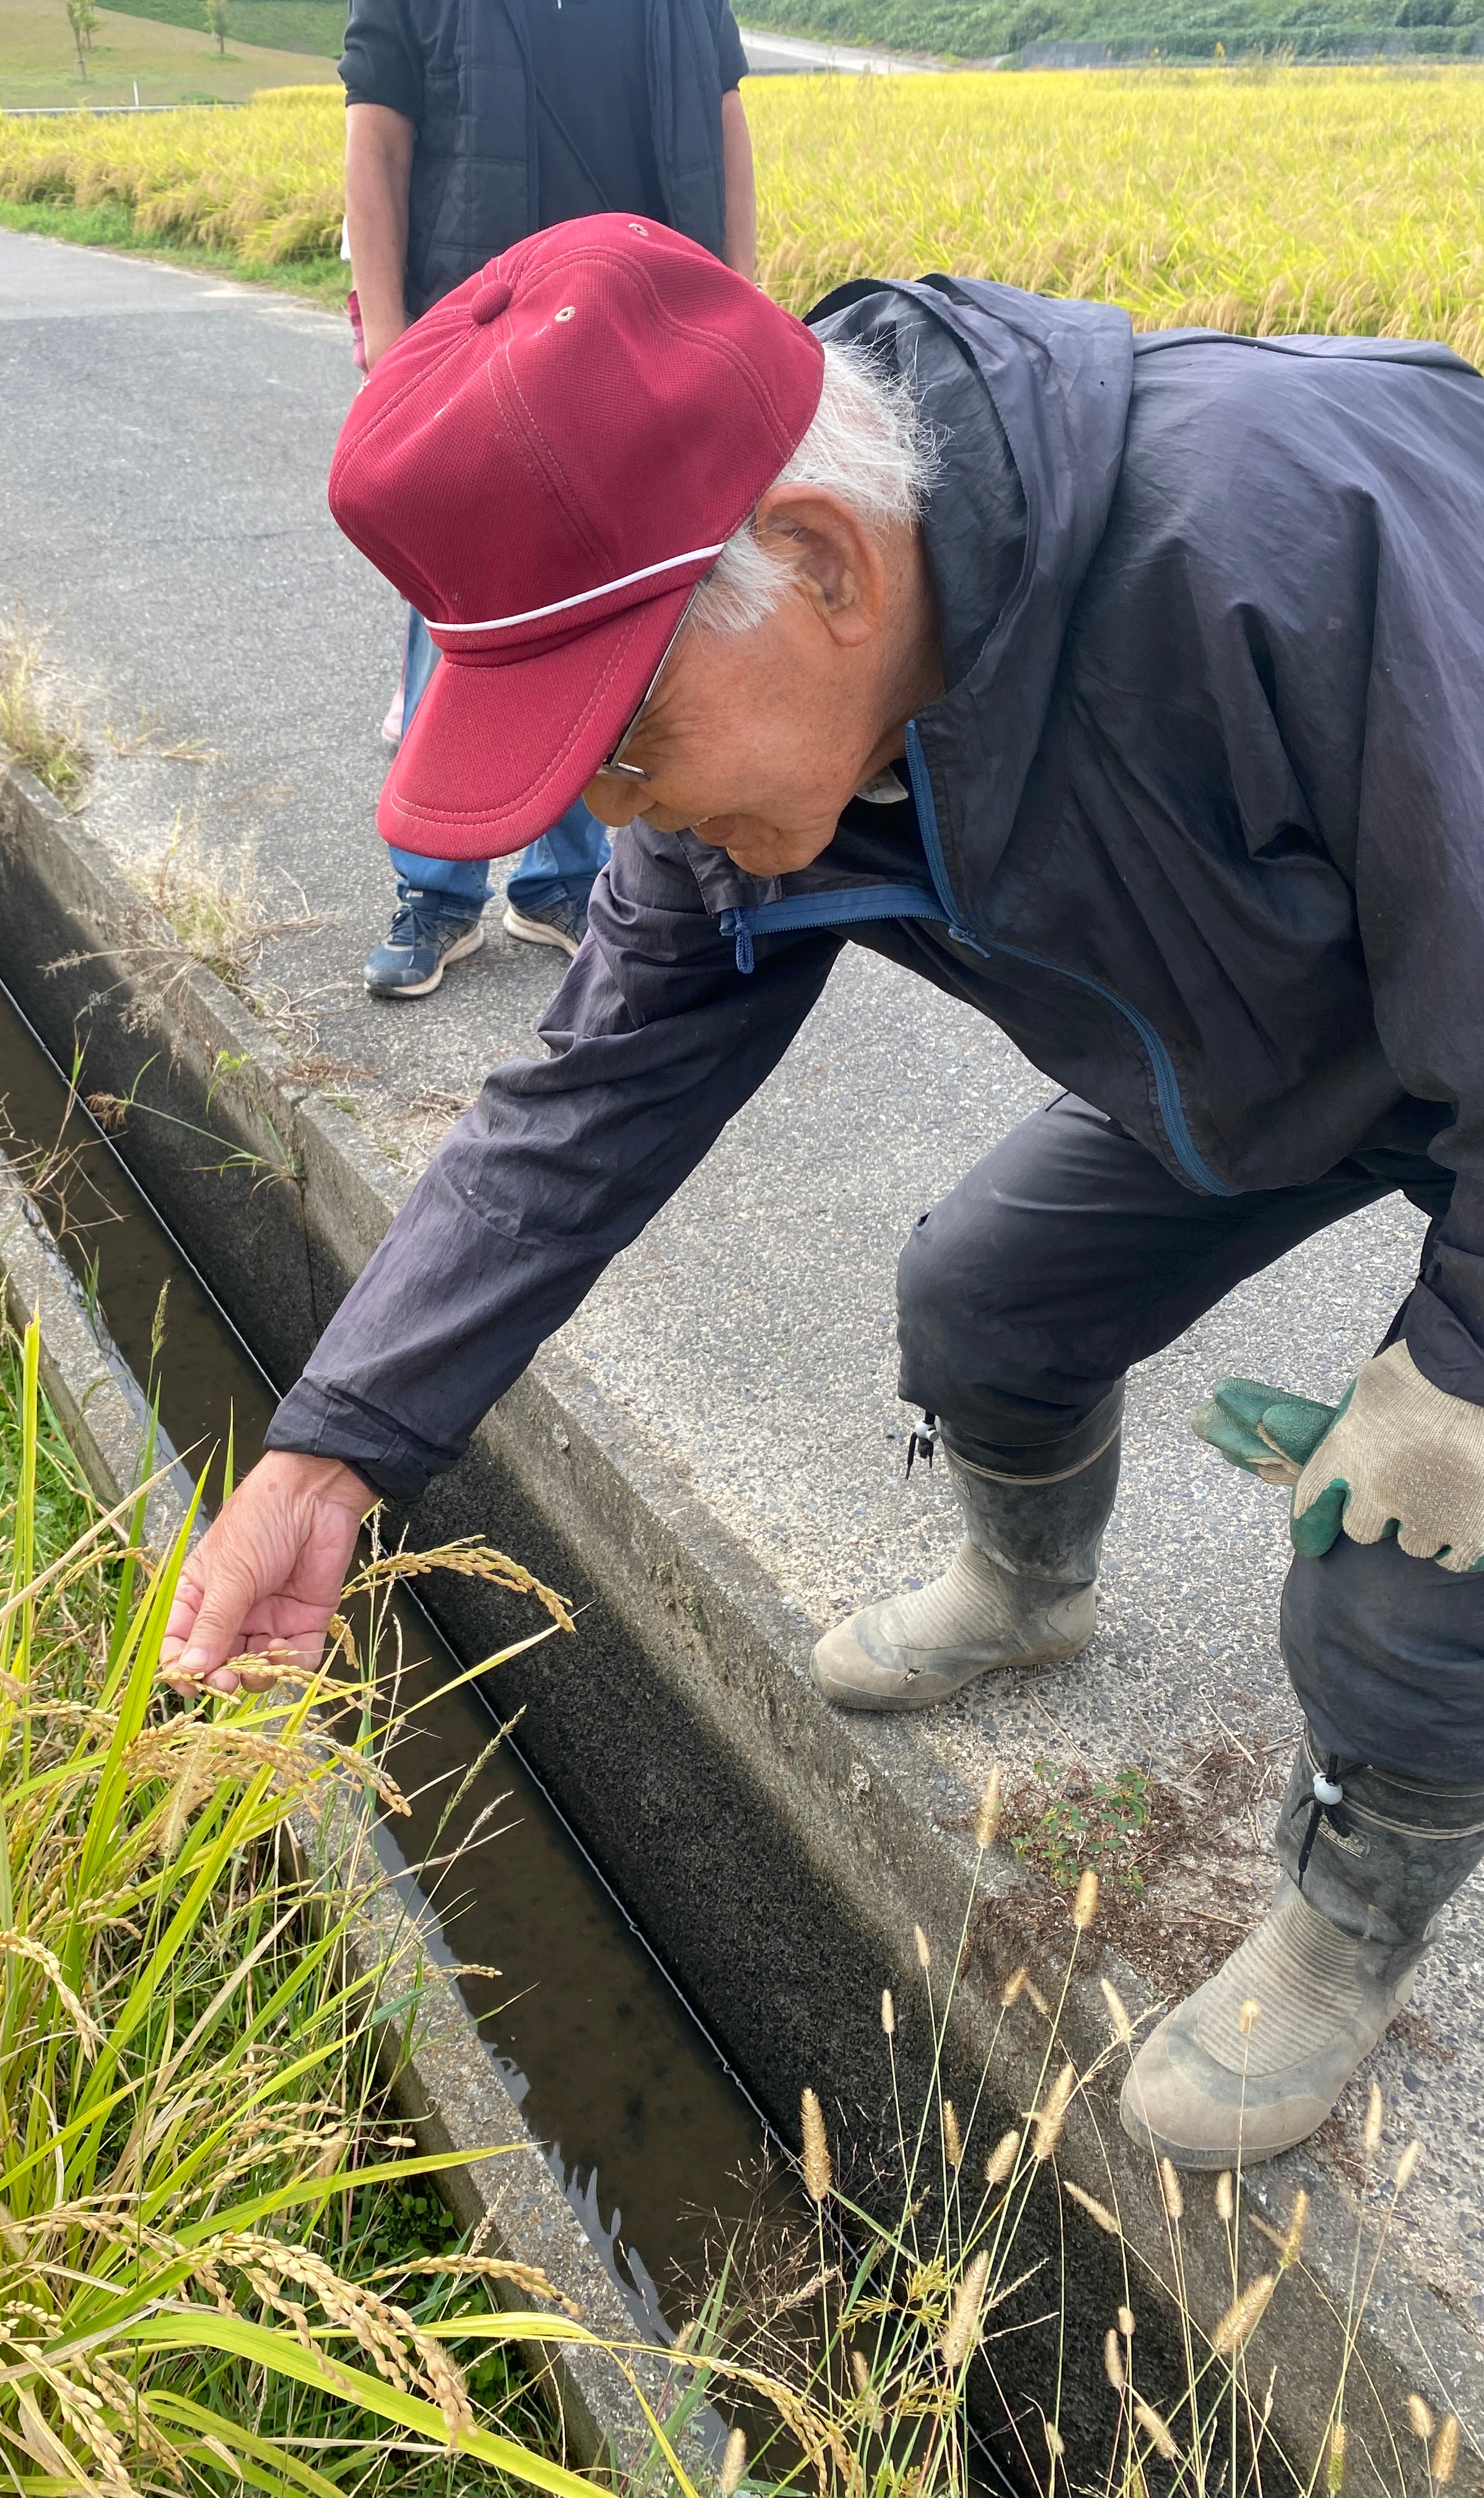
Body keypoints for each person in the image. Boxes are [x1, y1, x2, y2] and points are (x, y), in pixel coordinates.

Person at [163, 216, 1484, 2174]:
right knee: (983, 1302)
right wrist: (329, 1458)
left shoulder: (1293, 544)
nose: (623, 825)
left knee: (1406, 1564)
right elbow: (581, 1102)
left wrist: (1455, 1364)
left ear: (828, 561)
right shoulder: (760, 751)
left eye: (621, 750)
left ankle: (1358, 1900)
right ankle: (1030, 1589)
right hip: (1266, 1059)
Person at [340, 0, 756, 996]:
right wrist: (393, 346)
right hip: (478, 328)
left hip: (641, 336)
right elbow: (377, 143)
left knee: (614, 608)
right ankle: (437, 889)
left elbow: (726, 126)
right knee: (460, 611)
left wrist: (740, 302)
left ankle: (563, 877)